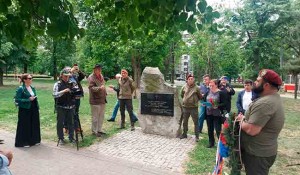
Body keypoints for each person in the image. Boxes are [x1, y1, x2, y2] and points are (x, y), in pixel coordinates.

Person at [237, 69, 285, 175]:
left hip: (257, 154)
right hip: (261, 152)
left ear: (266, 85)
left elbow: (252, 130)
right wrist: (245, 119)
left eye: (258, 81)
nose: (255, 82)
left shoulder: (265, 103)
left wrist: (241, 120)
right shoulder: (272, 98)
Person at [15, 74, 41, 147]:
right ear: (24, 80)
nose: (31, 79)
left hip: (33, 108)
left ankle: (34, 140)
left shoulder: (32, 88)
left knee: (34, 124)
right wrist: (27, 100)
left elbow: (35, 98)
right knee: (25, 125)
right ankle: (23, 142)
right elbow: (17, 99)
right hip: (24, 109)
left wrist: (38, 108)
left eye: (31, 78)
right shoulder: (21, 89)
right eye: (29, 78)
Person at [53, 68, 76, 144]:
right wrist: (64, 91)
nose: (67, 78)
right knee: (60, 123)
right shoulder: (57, 84)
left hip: (70, 106)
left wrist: (76, 94)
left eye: (68, 76)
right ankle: (61, 138)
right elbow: (54, 94)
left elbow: (76, 93)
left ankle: (71, 138)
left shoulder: (72, 83)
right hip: (61, 107)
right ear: (61, 76)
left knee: (71, 123)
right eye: (65, 76)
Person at [180, 74, 202, 142]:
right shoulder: (184, 87)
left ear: (194, 79)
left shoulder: (197, 88)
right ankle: (184, 134)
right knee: (185, 122)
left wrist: (194, 101)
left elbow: (200, 96)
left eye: (192, 79)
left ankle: (197, 136)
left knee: (196, 122)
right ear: (187, 80)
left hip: (193, 108)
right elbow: (181, 95)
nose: (190, 80)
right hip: (185, 107)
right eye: (189, 79)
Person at [204, 79, 226, 148]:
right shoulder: (208, 92)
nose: (210, 87)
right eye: (210, 85)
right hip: (209, 113)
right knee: (210, 129)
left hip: (217, 114)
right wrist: (204, 104)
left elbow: (225, 103)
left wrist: (217, 106)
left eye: (212, 85)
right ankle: (211, 143)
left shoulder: (221, 93)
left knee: (218, 129)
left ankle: (221, 144)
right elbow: (204, 99)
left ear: (216, 85)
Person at [88, 64, 107, 137]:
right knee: (95, 116)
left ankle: (99, 129)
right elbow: (91, 88)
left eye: (100, 69)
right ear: (94, 69)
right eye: (98, 69)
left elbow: (103, 85)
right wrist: (99, 88)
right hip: (95, 100)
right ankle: (94, 131)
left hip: (102, 99)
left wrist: (105, 92)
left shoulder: (101, 76)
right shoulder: (91, 77)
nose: (100, 70)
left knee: (101, 116)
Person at [69, 64, 86, 132]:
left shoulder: (75, 77)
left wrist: (78, 70)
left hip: (77, 97)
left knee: (76, 112)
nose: (73, 71)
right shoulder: (67, 77)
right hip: (70, 97)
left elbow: (82, 76)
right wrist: (70, 71)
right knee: (69, 112)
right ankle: (67, 127)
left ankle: (77, 127)